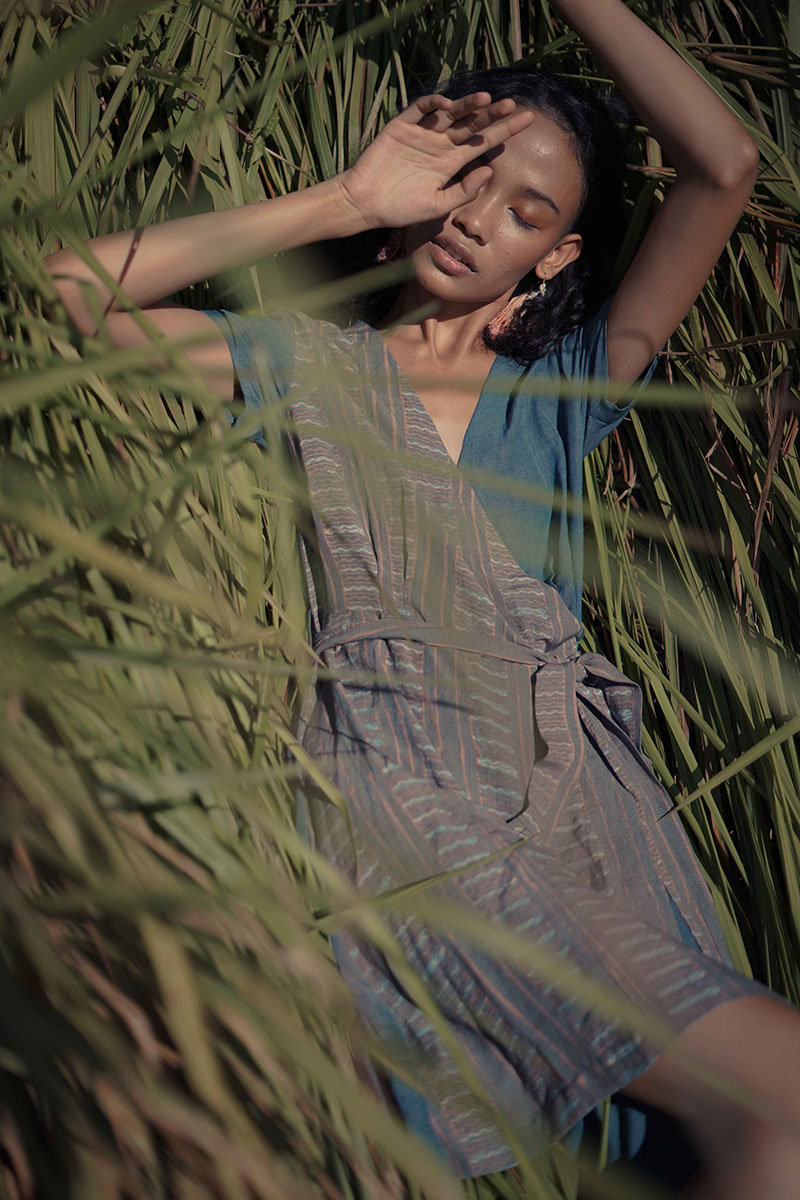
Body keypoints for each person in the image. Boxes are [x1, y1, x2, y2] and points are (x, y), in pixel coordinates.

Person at [42, 0, 800, 1195]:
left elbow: (724, 166)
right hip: (407, 792)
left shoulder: (564, 388)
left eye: (525, 212)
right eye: (463, 180)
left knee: (752, 1137)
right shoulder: (301, 362)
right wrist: (345, 199)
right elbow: (64, 297)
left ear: (554, 255)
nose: (474, 219)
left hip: (586, 810)